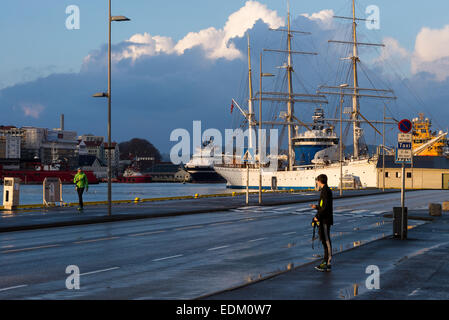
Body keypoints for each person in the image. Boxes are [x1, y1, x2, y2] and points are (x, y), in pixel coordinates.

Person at [309, 174, 333, 272]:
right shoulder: (325, 190)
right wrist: (316, 207)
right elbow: (323, 206)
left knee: (326, 240)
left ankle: (328, 262)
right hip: (323, 219)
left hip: (325, 220)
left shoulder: (325, 191)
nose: (317, 183)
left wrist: (317, 216)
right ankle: (325, 261)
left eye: (317, 181)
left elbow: (325, 207)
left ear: (320, 181)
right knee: (323, 240)